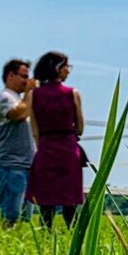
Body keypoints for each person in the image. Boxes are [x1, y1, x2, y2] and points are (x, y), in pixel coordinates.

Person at [25, 51, 84, 229]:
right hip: (68, 146)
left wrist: (41, 144)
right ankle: (71, 230)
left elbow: (34, 129)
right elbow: (80, 126)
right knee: (69, 194)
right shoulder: (72, 93)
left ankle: (46, 230)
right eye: (67, 66)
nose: (68, 70)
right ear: (58, 68)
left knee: (46, 195)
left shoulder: (33, 95)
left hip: (45, 147)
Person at [0, 58, 36, 228]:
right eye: (24, 76)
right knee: (11, 217)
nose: (27, 81)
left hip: (26, 167)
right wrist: (30, 92)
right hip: (11, 167)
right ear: (10, 75)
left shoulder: (21, 100)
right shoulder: (3, 97)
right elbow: (18, 114)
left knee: (25, 221)